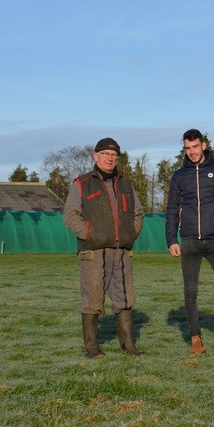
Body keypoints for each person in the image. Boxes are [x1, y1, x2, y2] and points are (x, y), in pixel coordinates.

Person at [63, 137, 145, 358]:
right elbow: (70, 215)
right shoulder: (81, 183)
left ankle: (129, 346)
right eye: (106, 154)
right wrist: (89, 234)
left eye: (114, 155)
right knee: (92, 299)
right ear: (95, 156)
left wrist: (131, 232)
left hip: (121, 252)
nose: (110, 158)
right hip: (93, 252)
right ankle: (92, 349)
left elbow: (138, 214)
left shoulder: (127, 185)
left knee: (125, 299)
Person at [165, 128, 214, 354]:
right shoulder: (179, 176)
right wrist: (172, 239)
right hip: (189, 240)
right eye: (187, 148)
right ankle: (195, 340)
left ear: (204, 145)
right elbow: (172, 209)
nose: (192, 152)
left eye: (195, 147)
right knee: (190, 291)